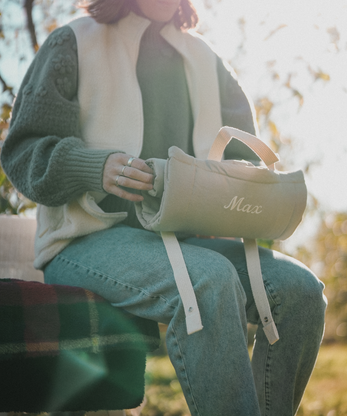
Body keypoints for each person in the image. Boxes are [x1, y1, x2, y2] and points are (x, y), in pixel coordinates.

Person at [1, 0, 327, 414]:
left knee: (300, 291)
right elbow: (22, 150)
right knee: (208, 280)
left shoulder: (207, 60)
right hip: (83, 244)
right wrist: (94, 167)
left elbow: (245, 159)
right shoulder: (72, 42)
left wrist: (230, 188)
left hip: (187, 242)